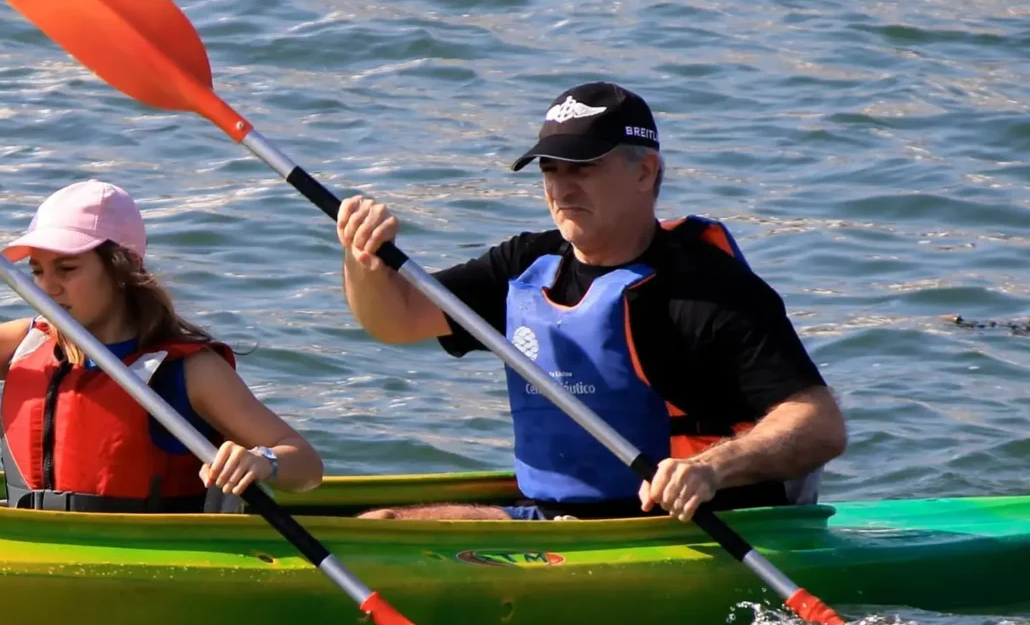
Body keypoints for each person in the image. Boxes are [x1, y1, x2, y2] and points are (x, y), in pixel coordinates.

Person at [334, 82, 845, 522]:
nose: (561, 186)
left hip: (690, 522)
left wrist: (711, 468)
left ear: (645, 171)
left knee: (385, 522)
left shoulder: (709, 290)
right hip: (562, 517)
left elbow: (819, 424)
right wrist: (362, 257)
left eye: (583, 167)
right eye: (550, 170)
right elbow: (396, 320)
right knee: (381, 520)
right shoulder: (526, 265)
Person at [0, 178, 321, 511]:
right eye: (39, 271)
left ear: (121, 268)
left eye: (67, 268)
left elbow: (306, 465)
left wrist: (264, 461)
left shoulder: (189, 371)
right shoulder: (27, 343)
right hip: (37, 540)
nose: (50, 287)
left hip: (144, 561)